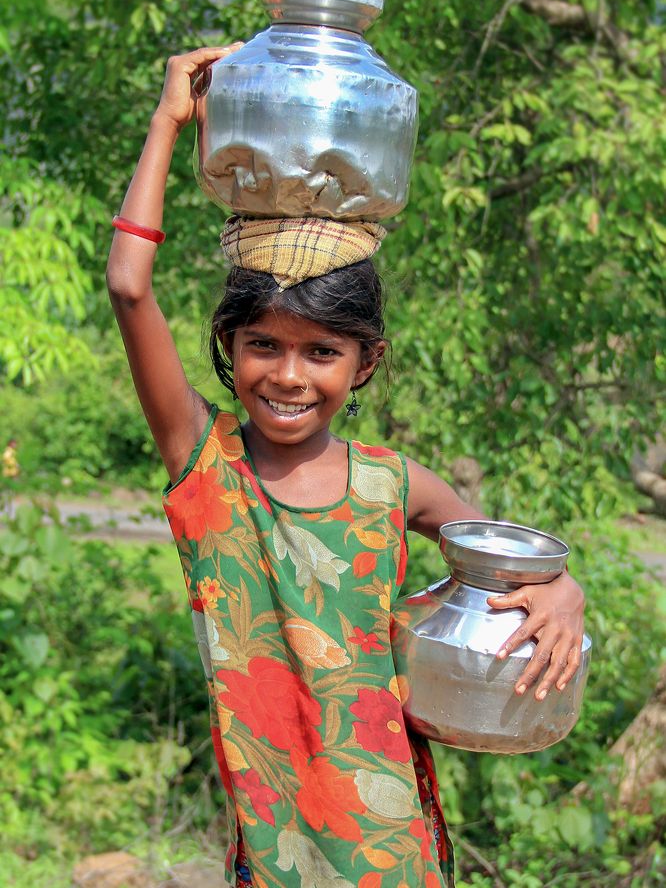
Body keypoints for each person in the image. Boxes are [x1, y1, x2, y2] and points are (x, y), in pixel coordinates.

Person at [107, 48, 586, 888]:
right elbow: (128, 288)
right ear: (230, 346)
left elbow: (509, 561)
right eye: (264, 345)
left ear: (364, 363)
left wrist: (561, 590)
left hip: (395, 848)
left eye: (321, 352)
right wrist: (167, 122)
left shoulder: (391, 483)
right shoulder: (206, 465)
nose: (288, 376)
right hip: (274, 854)